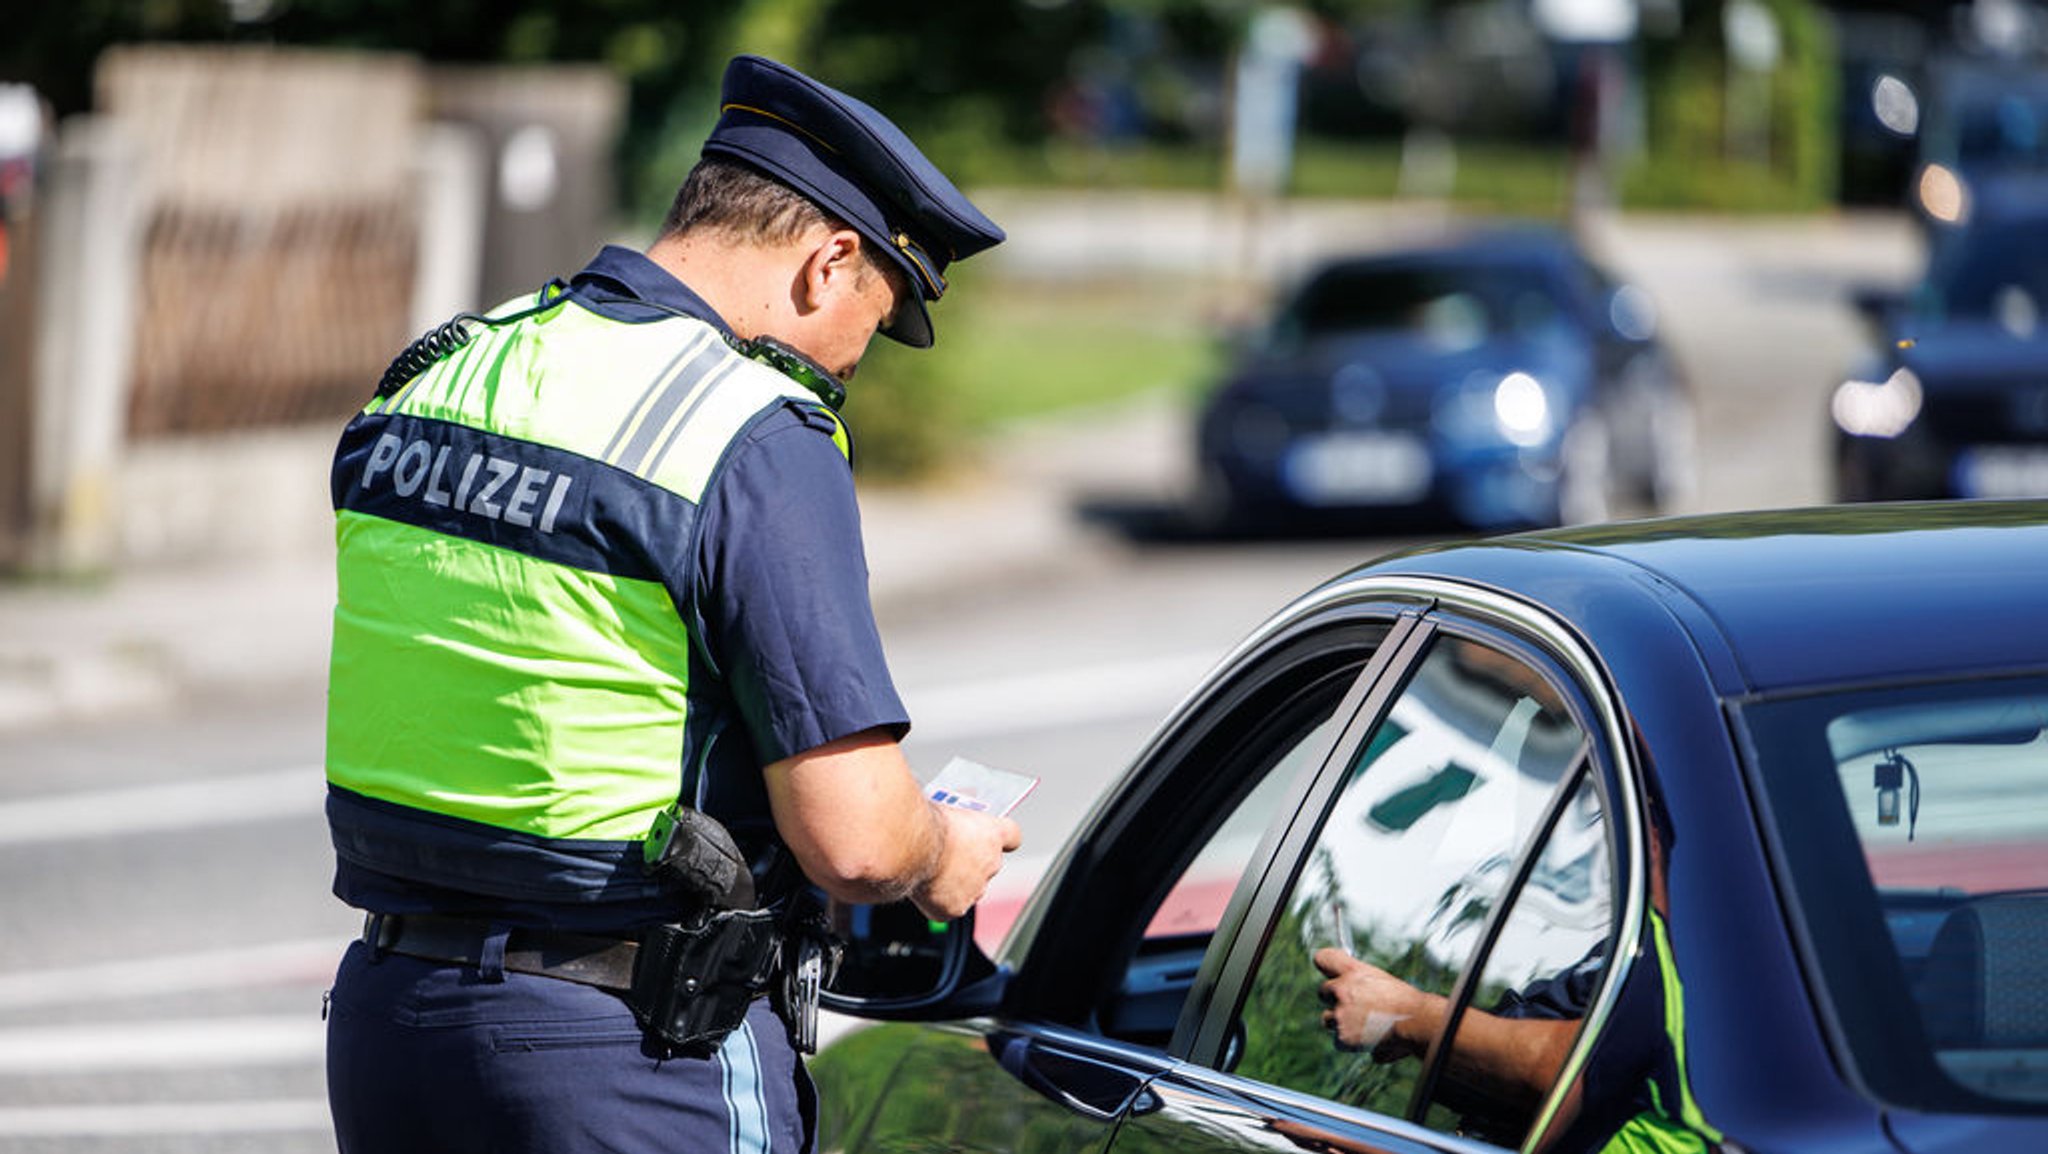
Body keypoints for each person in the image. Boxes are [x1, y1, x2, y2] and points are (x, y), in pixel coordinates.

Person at [321, 54, 1021, 1154]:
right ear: (828, 263)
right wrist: (939, 852)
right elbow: (855, 839)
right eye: (873, 324)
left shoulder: (444, 373)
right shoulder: (749, 434)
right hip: (630, 1054)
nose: (850, 368)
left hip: (391, 1028)